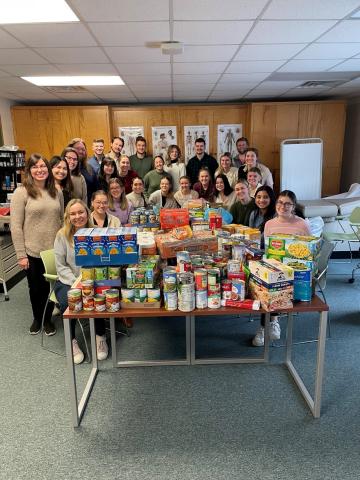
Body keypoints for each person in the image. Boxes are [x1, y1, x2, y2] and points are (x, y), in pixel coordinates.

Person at [11, 153, 64, 336]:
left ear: (48, 169)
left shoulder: (56, 191)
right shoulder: (21, 192)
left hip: (54, 249)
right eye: (35, 167)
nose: (40, 170)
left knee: (52, 286)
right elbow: (16, 226)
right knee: (36, 288)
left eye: (43, 166)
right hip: (32, 251)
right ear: (29, 171)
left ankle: (47, 319)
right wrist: (21, 254)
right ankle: (37, 318)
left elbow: (62, 220)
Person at [252, 190, 311, 348]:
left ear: (293, 206)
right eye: (279, 202)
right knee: (265, 285)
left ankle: (271, 323)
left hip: (296, 272)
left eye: (287, 203)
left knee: (274, 287)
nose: (282, 206)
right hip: (276, 271)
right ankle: (268, 325)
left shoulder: (302, 224)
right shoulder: (269, 224)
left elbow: (308, 252)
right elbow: (267, 251)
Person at [54, 199, 109, 364]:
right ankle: (71, 342)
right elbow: (60, 266)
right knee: (67, 302)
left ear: (87, 212)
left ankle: (100, 336)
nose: (78, 216)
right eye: (73, 213)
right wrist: (76, 282)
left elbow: (103, 259)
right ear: (68, 216)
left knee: (98, 298)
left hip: (93, 279)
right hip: (67, 281)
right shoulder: (62, 235)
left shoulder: (98, 233)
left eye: (81, 212)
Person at [68, 138, 99, 206]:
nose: (80, 151)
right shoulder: (64, 168)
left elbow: (96, 190)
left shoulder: (89, 168)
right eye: (77, 148)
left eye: (83, 149)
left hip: (88, 207)